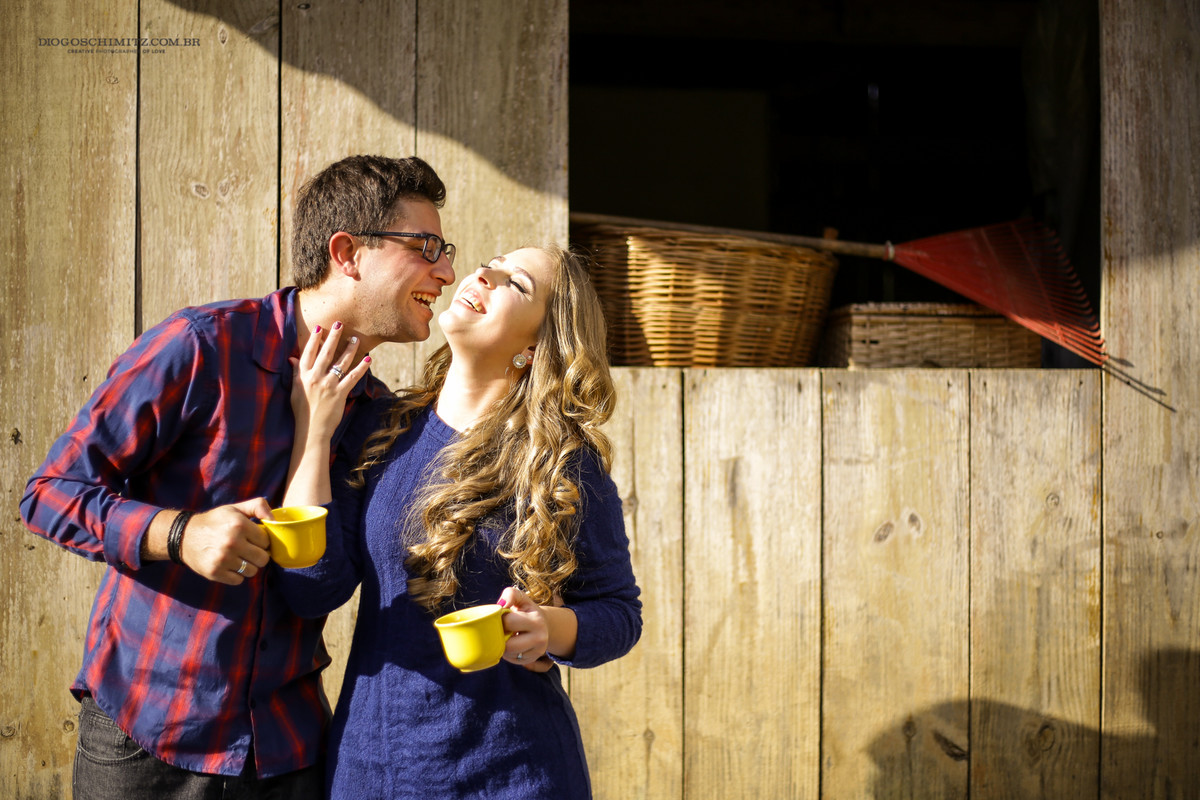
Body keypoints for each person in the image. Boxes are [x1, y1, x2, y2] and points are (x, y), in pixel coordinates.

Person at [19, 154, 456, 798]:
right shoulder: (201, 347)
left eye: (444, 252)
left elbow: (326, 585)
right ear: (348, 252)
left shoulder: (375, 413)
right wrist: (179, 533)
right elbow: (50, 493)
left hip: (288, 751)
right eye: (425, 247)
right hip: (146, 740)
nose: (445, 271)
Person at [278, 244, 642, 799]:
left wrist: (548, 626)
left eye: (515, 283)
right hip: (373, 769)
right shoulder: (380, 428)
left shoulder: (561, 464)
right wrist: (315, 433)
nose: (484, 273)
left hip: (514, 774)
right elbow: (309, 587)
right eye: (491, 263)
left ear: (535, 346)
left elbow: (618, 612)